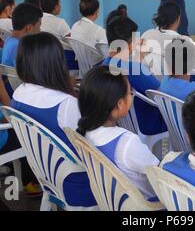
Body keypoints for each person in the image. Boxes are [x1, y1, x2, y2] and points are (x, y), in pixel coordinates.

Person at [12, 32, 97, 208]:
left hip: (47, 176)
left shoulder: (19, 92)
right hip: (78, 185)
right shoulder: (66, 104)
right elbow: (92, 147)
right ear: (56, 63)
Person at [77, 66, 159, 200]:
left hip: (112, 201)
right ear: (120, 104)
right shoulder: (126, 143)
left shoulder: (85, 131)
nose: (131, 95)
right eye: (130, 92)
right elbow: (159, 176)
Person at [103, 17, 167, 136]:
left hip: (122, 121)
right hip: (147, 123)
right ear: (130, 44)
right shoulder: (133, 69)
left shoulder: (105, 64)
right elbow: (161, 93)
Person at [142, 1, 193, 78]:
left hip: (146, 87)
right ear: (178, 19)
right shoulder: (184, 41)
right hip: (171, 87)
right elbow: (188, 73)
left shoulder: (146, 34)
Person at [2, 3, 42, 68]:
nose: (40, 30)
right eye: (39, 26)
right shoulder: (22, 48)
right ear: (29, 27)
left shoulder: (8, 40)